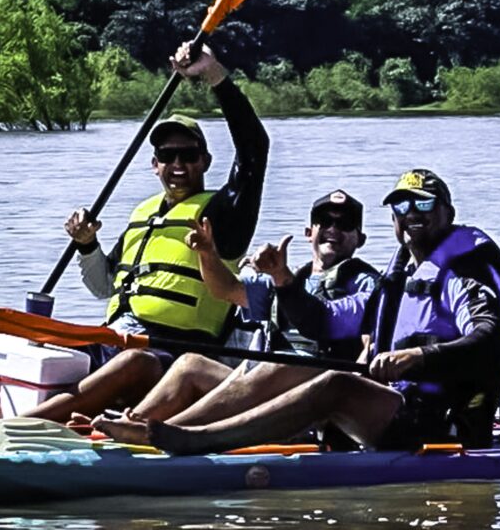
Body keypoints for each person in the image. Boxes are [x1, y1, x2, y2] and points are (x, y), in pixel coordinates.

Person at [0, 42, 269, 427]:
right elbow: (104, 287)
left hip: (169, 358)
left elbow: (254, 150)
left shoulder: (223, 214)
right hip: (112, 342)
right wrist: (88, 246)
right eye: (168, 155)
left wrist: (214, 75)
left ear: (205, 161)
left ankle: (17, 427)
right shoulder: (144, 215)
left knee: (136, 362)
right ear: (154, 164)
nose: (178, 164)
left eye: (189, 155)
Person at [144, 169, 500, 455]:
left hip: (442, 421)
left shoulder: (462, 271)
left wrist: (417, 357)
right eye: (401, 207)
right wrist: (283, 281)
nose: (411, 214)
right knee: (293, 365)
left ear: (447, 212)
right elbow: (320, 320)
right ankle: (162, 431)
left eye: (423, 204)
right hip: (393, 404)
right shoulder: (396, 280)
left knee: (335, 384)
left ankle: (201, 441)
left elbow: (490, 340)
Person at [91, 190, 379, 443]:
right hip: (266, 385)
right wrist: (207, 252)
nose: (333, 229)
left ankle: (161, 432)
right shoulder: (289, 276)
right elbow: (226, 289)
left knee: (281, 364)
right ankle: (130, 422)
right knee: (191, 364)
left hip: (314, 396)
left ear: (360, 239)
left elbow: (355, 335)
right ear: (309, 232)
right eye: (325, 222)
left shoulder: (367, 283)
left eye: (345, 224)